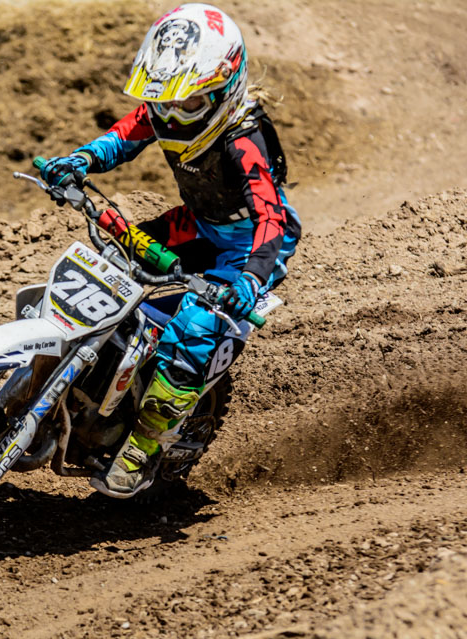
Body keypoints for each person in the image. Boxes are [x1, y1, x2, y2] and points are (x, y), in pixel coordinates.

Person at [40, 3, 301, 498]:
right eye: (164, 102)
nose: (172, 116)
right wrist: (80, 160)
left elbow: (273, 217)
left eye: (189, 104)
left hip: (250, 243)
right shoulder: (166, 111)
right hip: (197, 223)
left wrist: (251, 278)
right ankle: (86, 382)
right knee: (111, 263)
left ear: (224, 89)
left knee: (195, 330)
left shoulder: (244, 139)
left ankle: (143, 449)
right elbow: (123, 136)